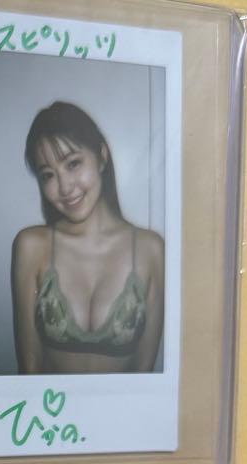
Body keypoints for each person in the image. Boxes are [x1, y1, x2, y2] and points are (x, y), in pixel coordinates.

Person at [10, 102, 165, 375]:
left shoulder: (150, 250)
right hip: (53, 405)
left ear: (101, 157)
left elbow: (144, 372)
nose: (64, 187)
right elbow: (29, 367)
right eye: (48, 175)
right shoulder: (31, 247)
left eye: (73, 164)